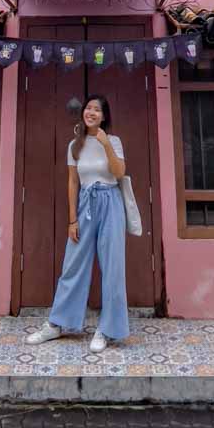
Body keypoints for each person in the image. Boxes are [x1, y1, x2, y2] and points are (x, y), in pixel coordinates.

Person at [26, 94, 129, 353]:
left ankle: (106, 329)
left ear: (104, 116)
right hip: (85, 204)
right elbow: (72, 182)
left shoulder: (114, 141)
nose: (91, 112)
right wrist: (72, 219)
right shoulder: (75, 145)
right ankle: (56, 324)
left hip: (110, 202)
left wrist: (105, 144)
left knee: (113, 267)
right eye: (88, 108)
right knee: (72, 264)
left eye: (97, 109)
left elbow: (119, 173)